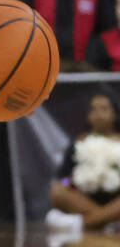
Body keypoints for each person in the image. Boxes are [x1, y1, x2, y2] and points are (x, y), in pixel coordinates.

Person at [48, 92, 120, 230]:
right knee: (57, 190)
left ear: (114, 113)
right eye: (94, 109)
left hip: (116, 198)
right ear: (88, 115)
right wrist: (71, 181)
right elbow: (63, 179)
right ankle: (108, 222)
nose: (98, 114)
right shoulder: (79, 142)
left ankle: (83, 223)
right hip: (85, 198)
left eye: (104, 109)